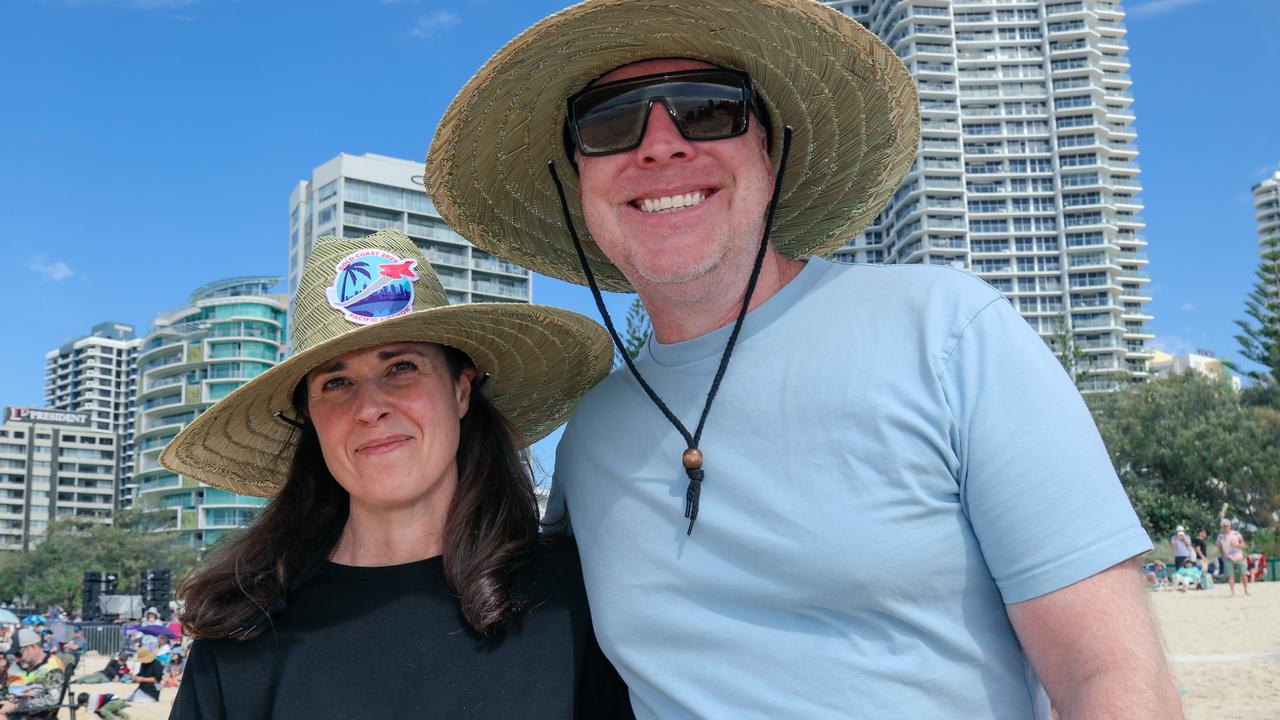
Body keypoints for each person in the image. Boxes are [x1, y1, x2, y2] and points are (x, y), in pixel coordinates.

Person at [425, 0, 1181, 716]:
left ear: (770, 149)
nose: (660, 143)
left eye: (707, 109)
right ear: (578, 184)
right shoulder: (593, 433)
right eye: (610, 122)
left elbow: (1107, 674)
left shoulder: (947, 330)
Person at [161, 230, 629, 718]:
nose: (370, 407)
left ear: (461, 391)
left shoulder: (577, 599)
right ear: (310, 421)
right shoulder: (243, 629)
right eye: (336, 382)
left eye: (401, 367)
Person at [0, 628, 66, 719]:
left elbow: (51, 700)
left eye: (18, 654)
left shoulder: (52, 666)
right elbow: (4, 689)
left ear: (32, 647)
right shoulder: (16, 666)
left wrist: (16, 706)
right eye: (14, 655)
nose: (17, 659)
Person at [1217, 519, 1250, 597]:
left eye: (1227, 526)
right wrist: (1222, 556)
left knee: (1243, 575)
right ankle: (1233, 592)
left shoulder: (1236, 534)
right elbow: (1219, 547)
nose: (1226, 527)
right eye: (1224, 526)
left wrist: (1236, 545)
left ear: (1230, 526)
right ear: (1222, 527)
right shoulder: (1220, 536)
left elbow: (1243, 545)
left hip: (1239, 557)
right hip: (1228, 558)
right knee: (1231, 576)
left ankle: (1246, 590)